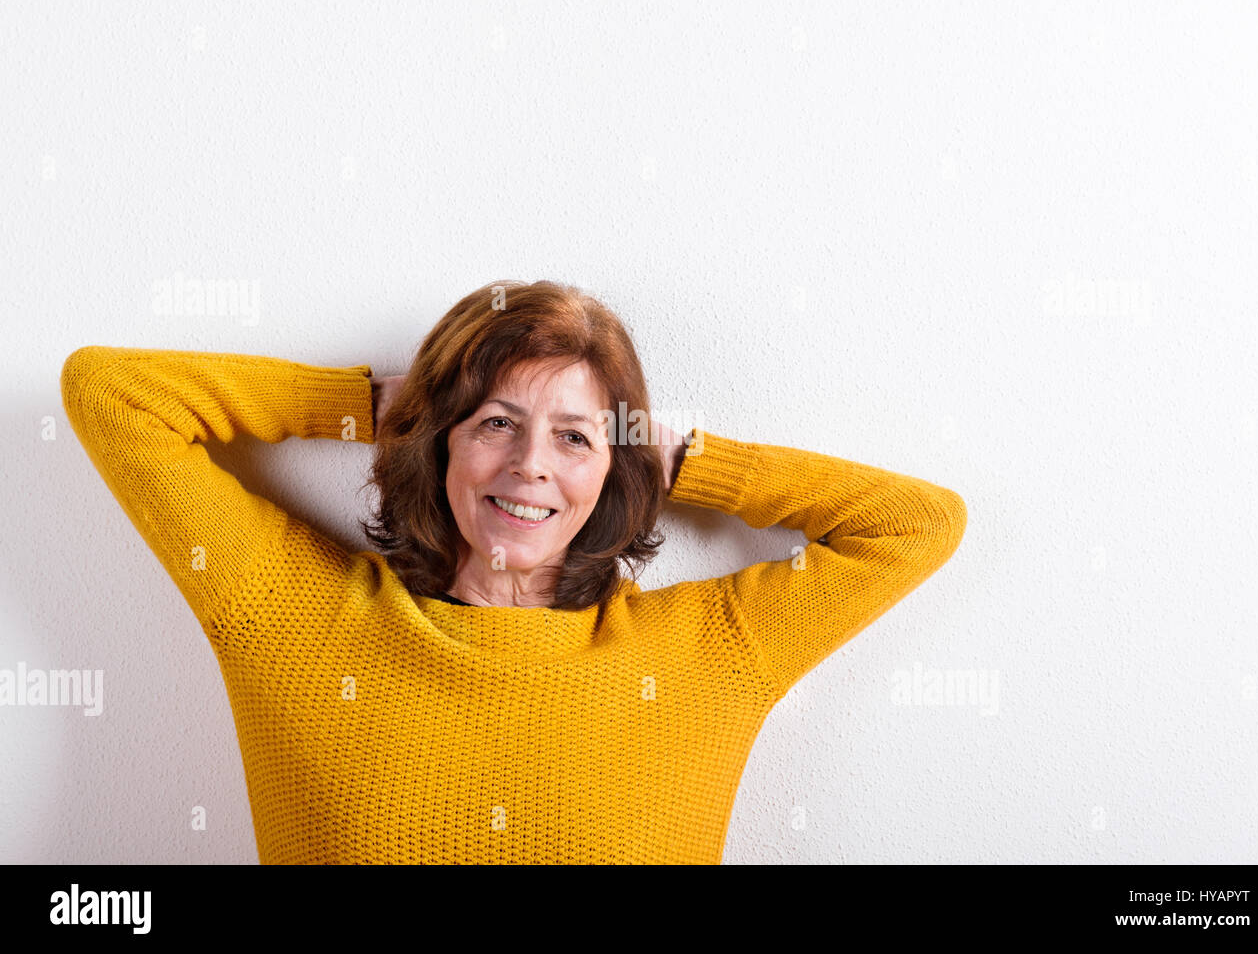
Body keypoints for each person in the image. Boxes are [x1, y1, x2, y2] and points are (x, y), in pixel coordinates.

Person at [60, 278, 966, 864]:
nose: (533, 464)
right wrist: (377, 406)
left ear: (609, 467)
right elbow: (112, 394)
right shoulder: (295, 620)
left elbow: (918, 524)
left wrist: (680, 458)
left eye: (574, 437)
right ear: (442, 440)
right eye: (495, 421)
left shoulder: (707, 655)